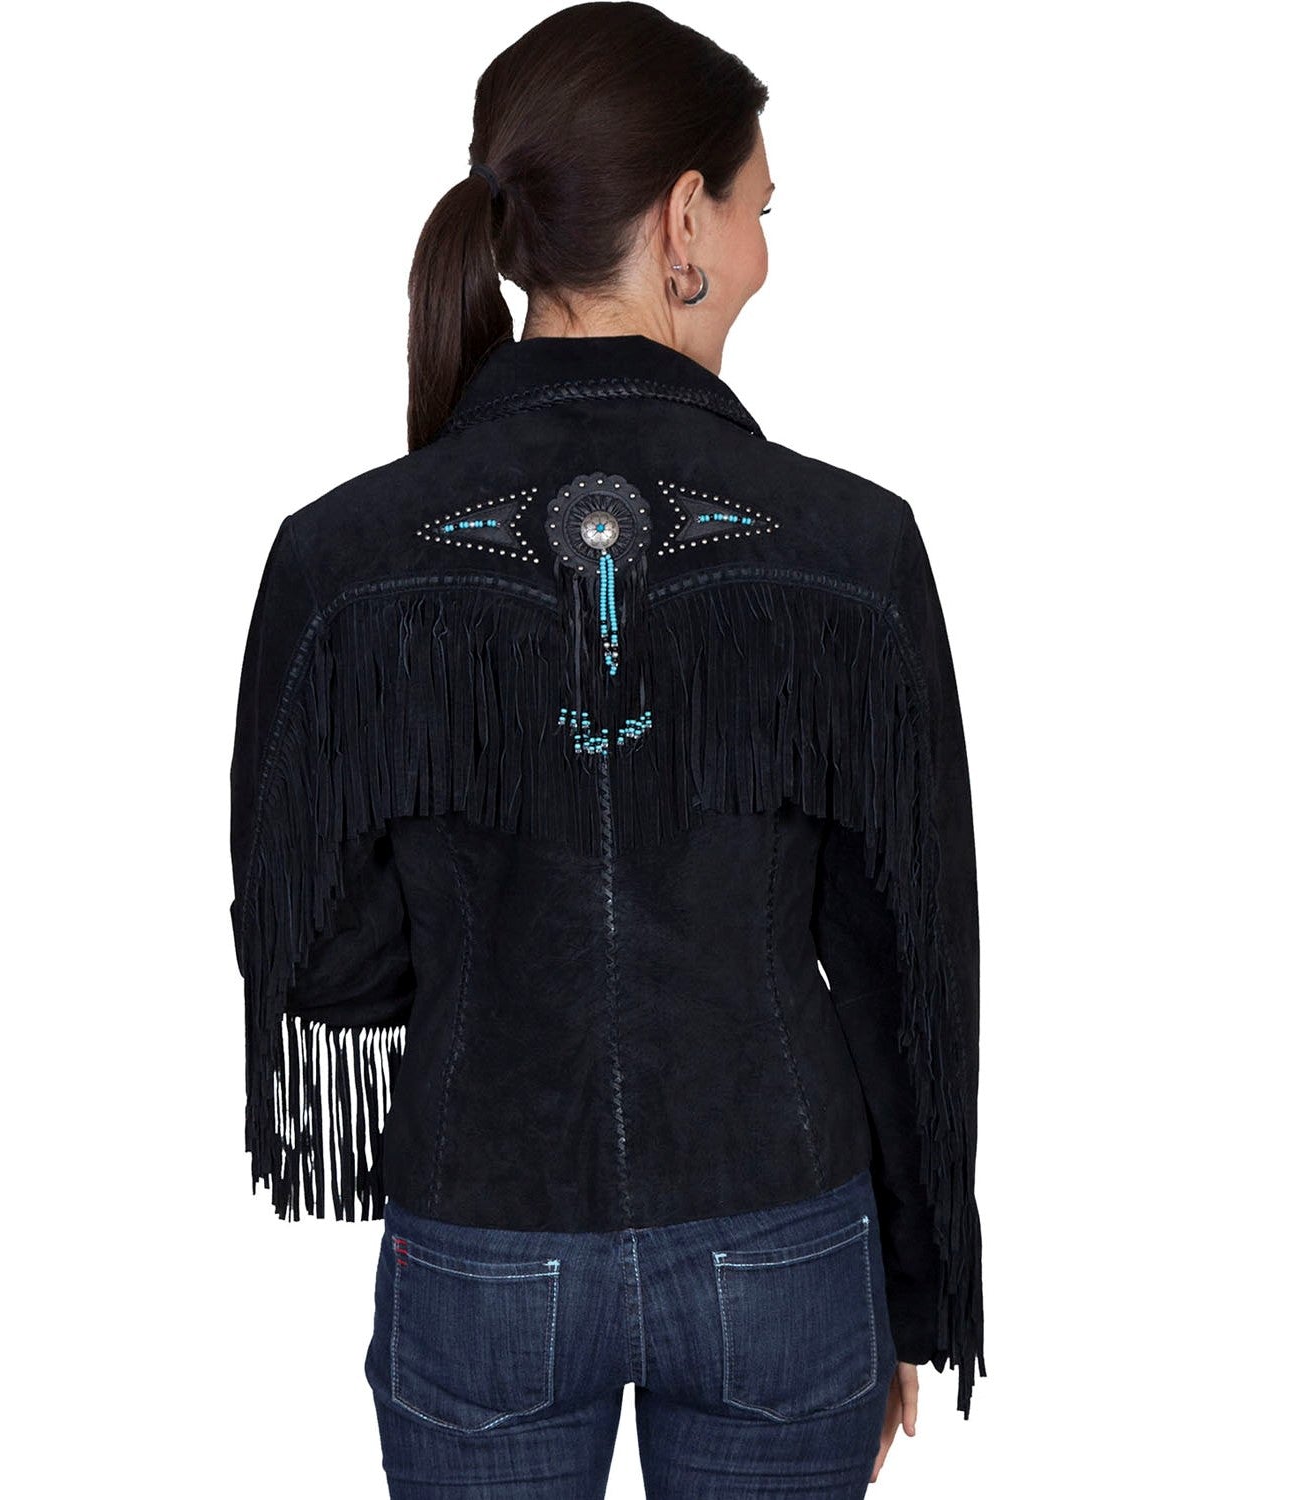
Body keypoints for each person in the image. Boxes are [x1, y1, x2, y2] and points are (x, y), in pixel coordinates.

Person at [228, 5, 985, 1495]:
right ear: (684, 222)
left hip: (481, 1234)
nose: (762, 254)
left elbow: (310, 950)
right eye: (760, 210)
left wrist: (481, 929)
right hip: (782, 1233)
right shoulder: (849, 548)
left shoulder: (343, 555)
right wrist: (914, 1288)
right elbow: (907, 959)